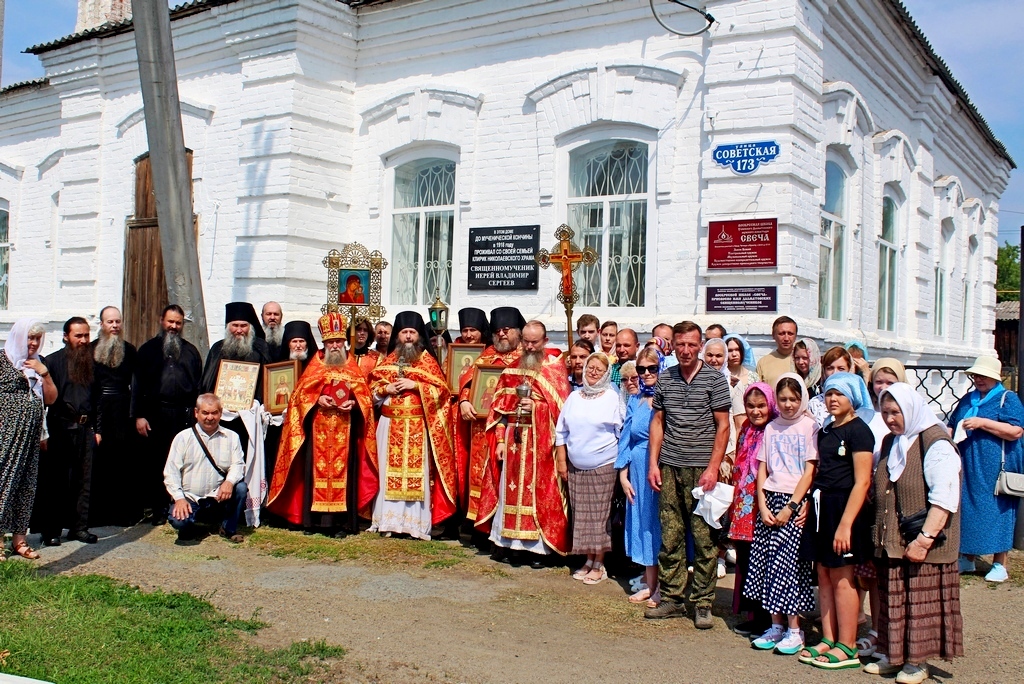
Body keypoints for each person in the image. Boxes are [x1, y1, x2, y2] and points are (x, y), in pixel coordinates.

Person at [865, 383, 964, 683]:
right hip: (893, 540)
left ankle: (917, 662)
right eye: (885, 412)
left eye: (896, 412)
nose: (891, 418)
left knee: (920, 602)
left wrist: (924, 539)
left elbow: (945, 497)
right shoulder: (891, 441)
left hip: (924, 542)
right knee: (894, 597)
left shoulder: (935, 443)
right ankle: (894, 656)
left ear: (911, 409)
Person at [645, 321, 731, 629]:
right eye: (680, 344)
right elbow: (658, 421)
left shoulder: (714, 380)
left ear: (700, 347)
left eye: (692, 345)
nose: (686, 350)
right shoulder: (665, 378)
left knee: (705, 537)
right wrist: (653, 464)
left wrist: (712, 468)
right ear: (673, 346)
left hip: (702, 469)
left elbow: (723, 426)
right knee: (670, 534)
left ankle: (703, 602)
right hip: (670, 466)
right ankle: (671, 597)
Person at [267, 312, 378, 537]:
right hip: (317, 430)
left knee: (343, 476)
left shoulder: (351, 364)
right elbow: (298, 395)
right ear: (324, 342)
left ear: (344, 341)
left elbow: (364, 396)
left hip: (344, 432)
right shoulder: (315, 362)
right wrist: (317, 400)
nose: (335, 345)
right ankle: (313, 522)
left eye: (338, 341)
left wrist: (353, 403)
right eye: (330, 342)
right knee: (314, 475)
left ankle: (340, 524)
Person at [478, 320, 571, 568]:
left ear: (545, 341)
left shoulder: (554, 368)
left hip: (541, 442)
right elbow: (499, 409)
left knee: (536, 494)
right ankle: (509, 544)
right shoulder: (511, 369)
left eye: (534, 342)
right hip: (512, 439)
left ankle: (537, 550)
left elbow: (563, 412)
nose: (529, 347)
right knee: (510, 490)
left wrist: (537, 407)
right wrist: (499, 440)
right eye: (526, 342)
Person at [801, 372, 875, 670]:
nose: (832, 399)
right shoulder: (826, 430)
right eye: (829, 393)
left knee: (844, 578)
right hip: (822, 506)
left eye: (839, 394)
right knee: (824, 575)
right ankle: (829, 638)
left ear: (852, 399)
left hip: (845, 509)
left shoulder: (860, 432)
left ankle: (849, 644)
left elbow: (861, 482)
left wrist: (846, 524)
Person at [745, 374, 818, 656]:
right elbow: (762, 466)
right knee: (768, 564)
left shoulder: (809, 426)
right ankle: (775, 626)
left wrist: (792, 507)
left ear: (802, 399)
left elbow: (810, 470)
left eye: (794, 399)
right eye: (784, 399)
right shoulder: (773, 427)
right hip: (770, 498)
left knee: (789, 567)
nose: (788, 405)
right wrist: (763, 503)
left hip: (794, 501)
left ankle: (795, 630)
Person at [367, 311, 456, 539]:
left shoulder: (427, 361)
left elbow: (442, 393)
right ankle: (388, 521)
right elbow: (370, 390)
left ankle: (413, 524)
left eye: (412, 333)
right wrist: (384, 389)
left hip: (417, 426)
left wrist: (417, 385)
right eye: (404, 332)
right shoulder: (387, 360)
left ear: (419, 336)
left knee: (418, 476)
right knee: (388, 473)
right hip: (388, 426)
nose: (408, 337)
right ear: (398, 335)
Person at [947, 355, 1023, 583]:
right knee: (967, 509)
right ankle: (967, 557)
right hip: (968, 462)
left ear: (994, 377)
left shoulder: (1007, 399)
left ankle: (1000, 562)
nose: (978, 379)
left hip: (994, 467)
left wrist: (983, 423)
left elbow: (1016, 431)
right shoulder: (968, 399)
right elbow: (952, 424)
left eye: (983, 376)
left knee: (997, 511)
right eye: (976, 375)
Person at [132, 305, 203, 524]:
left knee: (181, 461)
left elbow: (198, 385)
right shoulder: (147, 350)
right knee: (155, 462)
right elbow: (137, 385)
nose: (173, 326)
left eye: (178, 323)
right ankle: (156, 508)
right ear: (162, 321)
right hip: (154, 414)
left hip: (183, 415)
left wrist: (196, 415)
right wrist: (139, 415)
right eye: (170, 321)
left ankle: (178, 504)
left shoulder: (191, 351)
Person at [556, 352, 623, 585]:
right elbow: (561, 431)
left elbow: (620, 432)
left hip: (603, 466)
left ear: (606, 374)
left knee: (599, 516)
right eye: (590, 368)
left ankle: (600, 563)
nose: (593, 372)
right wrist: (562, 461)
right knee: (582, 515)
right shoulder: (574, 396)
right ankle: (587, 559)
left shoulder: (612, 398)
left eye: (599, 369)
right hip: (576, 466)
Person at [32, 317, 100, 545]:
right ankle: (51, 531)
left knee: (84, 482)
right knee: (57, 482)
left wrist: (97, 429)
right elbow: (42, 401)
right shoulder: (51, 362)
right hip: (59, 427)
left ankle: (79, 528)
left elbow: (97, 398)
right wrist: (43, 434)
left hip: (85, 429)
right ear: (66, 336)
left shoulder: (92, 361)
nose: (83, 341)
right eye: (78, 336)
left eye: (86, 336)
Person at [454, 307, 523, 525]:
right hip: (481, 428)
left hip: (512, 427)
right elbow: (467, 381)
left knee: (508, 476)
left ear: (518, 331)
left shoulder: (526, 357)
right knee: (480, 476)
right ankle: (480, 524)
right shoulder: (487, 355)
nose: (502, 334)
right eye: (498, 331)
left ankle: (505, 524)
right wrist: (464, 400)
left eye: (507, 329)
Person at [1, 319, 56, 560]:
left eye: (37, 339)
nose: (33, 343)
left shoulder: (39, 363)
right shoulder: (2, 360)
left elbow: (51, 399)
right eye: (29, 338)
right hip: (5, 434)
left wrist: (44, 374)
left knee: (26, 484)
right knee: (3, 483)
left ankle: (19, 540)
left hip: (31, 436)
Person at [164, 394, 247, 543]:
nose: (210, 417)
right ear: (196, 413)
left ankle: (228, 528)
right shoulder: (182, 438)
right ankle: (189, 528)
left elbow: (238, 464)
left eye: (214, 412)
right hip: (191, 497)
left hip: (217, 497)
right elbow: (171, 472)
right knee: (180, 522)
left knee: (240, 487)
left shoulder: (232, 437)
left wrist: (229, 481)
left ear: (221, 413)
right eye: (205, 413)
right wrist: (179, 498)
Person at [727, 382, 776, 636]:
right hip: (743, 502)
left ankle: (767, 618)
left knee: (763, 560)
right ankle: (752, 614)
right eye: (750, 406)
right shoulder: (746, 427)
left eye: (761, 406)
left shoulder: (774, 429)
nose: (756, 411)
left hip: (763, 503)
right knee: (746, 558)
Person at [616, 347, 663, 606]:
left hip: (656, 467)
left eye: (651, 368)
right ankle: (649, 582)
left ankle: (661, 587)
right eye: (641, 369)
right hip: (635, 467)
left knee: (656, 525)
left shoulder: (666, 398)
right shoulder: (635, 399)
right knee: (641, 523)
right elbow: (626, 437)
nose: (646, 374)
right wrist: (623, 475)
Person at [200, 302, 272, 457]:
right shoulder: (218, 348)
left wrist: (257, 402)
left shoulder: (260, 349)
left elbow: (268, 382)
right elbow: (207, 381)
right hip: (222, 416)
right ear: (228, 327)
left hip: (249, 417)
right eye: (235, 325)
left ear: (250, 327)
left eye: (243, 325)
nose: (239, 330)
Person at [89, 306, 139, 526]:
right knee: (97, 465)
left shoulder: (129, 350)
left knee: (122, 464)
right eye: (110, 322)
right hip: (98, 409)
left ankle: (121, 515)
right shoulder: (90, 351)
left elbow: (136, 385)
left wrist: (136, 413)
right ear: (101, 324)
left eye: (118, 321)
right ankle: (96, 515)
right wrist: (93, 424)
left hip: (122, 410)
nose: (115, 326)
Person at [724, 334, 759, 449]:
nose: (734, 354)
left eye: (737, 350)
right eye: (730, 350)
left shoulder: (753, 377)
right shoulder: (722, 377)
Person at [808, 346, 855, 427]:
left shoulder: (856, 402)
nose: (835, 373)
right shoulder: (814, 404)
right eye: (830, 368)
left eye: (841, 369)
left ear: (849, 370)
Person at [755, 316, 798, 390]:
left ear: (796, 336)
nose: (786, 338)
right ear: (773, 335)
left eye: (790, 333)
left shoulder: (803, 361)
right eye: (782, 334)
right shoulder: (763, 363)